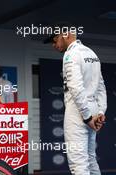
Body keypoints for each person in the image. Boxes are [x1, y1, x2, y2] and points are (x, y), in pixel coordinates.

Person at [44, 23, 107, 175]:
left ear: (65, 35)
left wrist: (87, 118)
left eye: (55, 40)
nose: (54, 45)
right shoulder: (92, 53)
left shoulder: (70, 54)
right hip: (92, 110)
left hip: (78, 113)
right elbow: (101, 87)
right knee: (91, 160)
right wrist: (100, 112)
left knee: (78, 164)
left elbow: (76, 88)